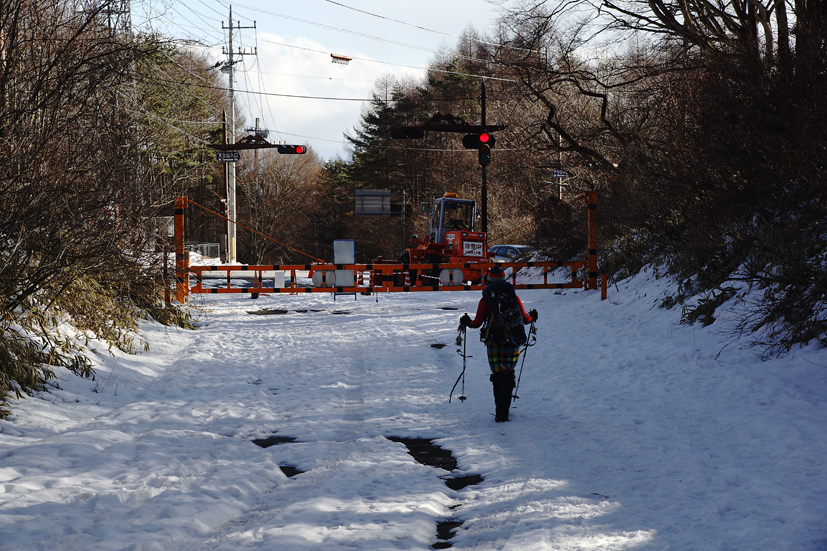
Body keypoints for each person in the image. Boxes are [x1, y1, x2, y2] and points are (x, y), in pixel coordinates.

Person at [459, 265, 537, 422]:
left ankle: (499, 412)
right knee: (508, 374)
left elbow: (477, 323)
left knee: (498, 375)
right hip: (513, 341)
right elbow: (524, 319)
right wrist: (533, 317)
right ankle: (505, 411)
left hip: (494, 342)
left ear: (489, 281)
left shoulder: (485, 299)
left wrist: (466, 321)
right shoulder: (514, 297)